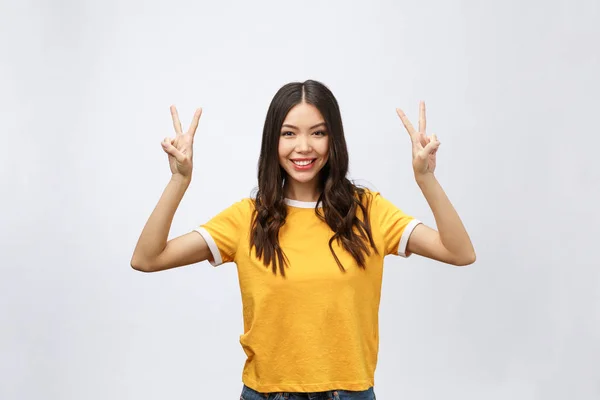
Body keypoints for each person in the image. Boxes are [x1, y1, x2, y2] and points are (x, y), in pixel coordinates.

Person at [130, 80, 476, 399]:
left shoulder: (369, 211)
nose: (304, 146)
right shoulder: (246, 218)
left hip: (349, 393)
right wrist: (180, 180)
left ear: (333, 139)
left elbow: (459, 252)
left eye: (318, 133)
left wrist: (426, 178)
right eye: (289, 133)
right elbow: (147, 258)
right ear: (273, 141)